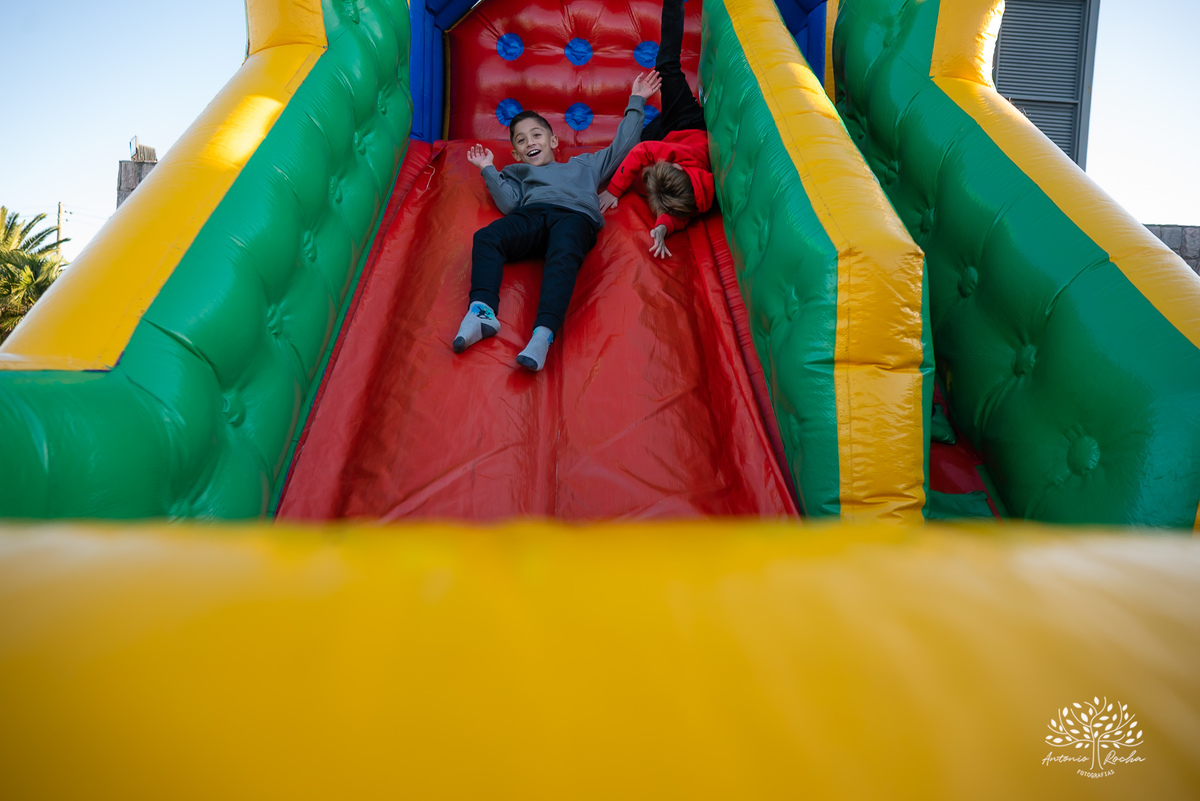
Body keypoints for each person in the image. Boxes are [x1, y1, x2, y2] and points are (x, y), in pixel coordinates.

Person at [454, 71, 663, 372]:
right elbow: (510, 204)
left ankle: (543, 334)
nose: (530, 143)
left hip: (574, 217)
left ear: (553, 140)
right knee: (487, 237)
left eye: (536, 135)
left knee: (562, 257)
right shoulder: (518, 173)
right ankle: (482, 312)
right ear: (516, 153)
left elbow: (624, 146)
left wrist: (637, 100)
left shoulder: (585, 165)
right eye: (522, 141)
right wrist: (488, 168)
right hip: (534, 214)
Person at [597, 0, 714, 259]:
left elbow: (677, 215)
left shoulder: (692, 201)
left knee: (619, 159)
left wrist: (661, 228)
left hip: (666, 135)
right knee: (666, 66)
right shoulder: (686, 172)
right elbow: (644, 151)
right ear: (679, 166)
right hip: (687, 123)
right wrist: (613, 191)